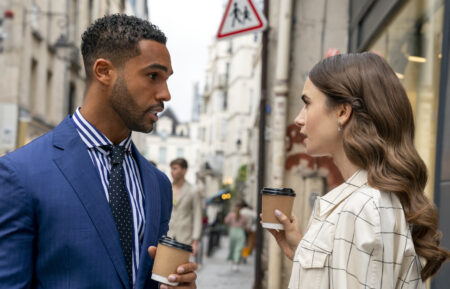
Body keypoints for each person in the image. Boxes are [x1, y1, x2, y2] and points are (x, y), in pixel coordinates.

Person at [0, 14, 197, 289]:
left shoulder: (158, 184)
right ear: (103, 71)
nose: (165, 94)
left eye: (166, 79)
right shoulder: (20, 174)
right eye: (153, 76)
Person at [266, 52, 450, 289]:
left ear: (342, 112)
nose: (298, 119)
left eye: (307, 103)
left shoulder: (365, 206)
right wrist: (305, 250)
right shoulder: (360, 202)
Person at [167, 158, 202, 256]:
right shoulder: (167, 188)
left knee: (180, 269)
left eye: (175, 168)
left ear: (184, 170)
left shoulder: (193, 190)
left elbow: (197, 216)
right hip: (167, 236)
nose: (172, 171)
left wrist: (195, 241)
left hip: (185, 238)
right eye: (171, 169)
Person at [225, 203, 248, 271]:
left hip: (233, 232)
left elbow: (226, 221)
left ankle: (233, 262)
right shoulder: (243, 216)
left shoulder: (231, 215)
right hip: (240, 232)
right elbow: (246, 223)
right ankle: (236, 263)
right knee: (238, 248)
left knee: (232, 247)